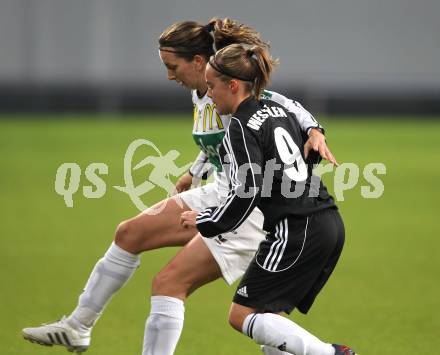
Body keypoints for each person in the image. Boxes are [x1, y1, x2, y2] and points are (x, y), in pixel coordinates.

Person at [22, 19, 335, 355]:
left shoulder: (231, 91)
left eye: (173, 67)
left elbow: (283, 106)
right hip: (223, 189)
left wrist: (315, 130)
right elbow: (221, 142)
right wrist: (195, 168)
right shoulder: (203, 92)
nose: (170, 75)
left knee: (171, 284)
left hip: (246, 206)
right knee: (130, 234)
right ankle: (78, 326)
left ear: (198, 63)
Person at [180, 43, 356, 355]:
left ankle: (332, 354)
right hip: (326, 221)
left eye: (211, 86)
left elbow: (248, 190)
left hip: (297, 229)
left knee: (242, 315)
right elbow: (302, 159)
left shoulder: (240, 126)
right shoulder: (277, 110)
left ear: (232, 85)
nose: (209, 95)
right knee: (272, 323)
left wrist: (206, 220)